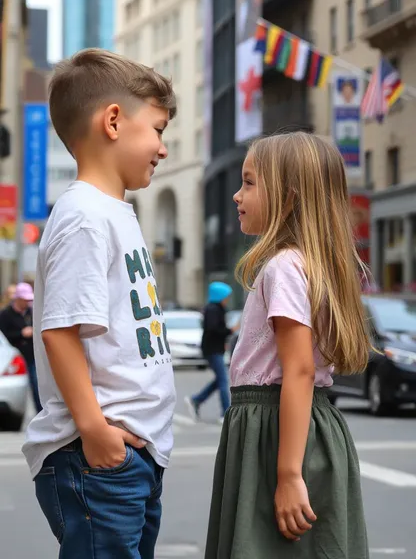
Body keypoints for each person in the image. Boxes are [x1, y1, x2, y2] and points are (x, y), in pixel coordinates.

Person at [22, 49, 177, 559]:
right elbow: (60, 331)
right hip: (98, 456)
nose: (163, 148)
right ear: (113, 120)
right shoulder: (85, 217)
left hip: (129, 455)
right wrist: (95, 432)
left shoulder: (112, 212)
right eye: (158, 130)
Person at [205, 132, 370, 559]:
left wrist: (287, 474)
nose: (238, 195)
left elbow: (297, 369)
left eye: (250, 182)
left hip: (277, 430)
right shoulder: (309, 264)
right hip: (299, 427)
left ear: (289, 196)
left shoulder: (283, 267)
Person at [185, 282, 237, 423]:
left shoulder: (217, 308)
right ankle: (226, 412)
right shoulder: (213, 309)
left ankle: (196, 400)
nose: (227, 299)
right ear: (220, 296)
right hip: (212, 349)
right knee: (223, 380)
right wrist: (229, 331)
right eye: (226, 296)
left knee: (221, 379)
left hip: (215, 348)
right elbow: (214, 329)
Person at [0, 282, 41, 413]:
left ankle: (40, 412)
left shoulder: (32, 312)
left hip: (31, 355)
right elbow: (4, 335)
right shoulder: (6, 314)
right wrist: (21, 334)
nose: (27, 302)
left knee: (37, 385)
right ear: (17, 298)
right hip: (14, 357)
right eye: (25, 299)